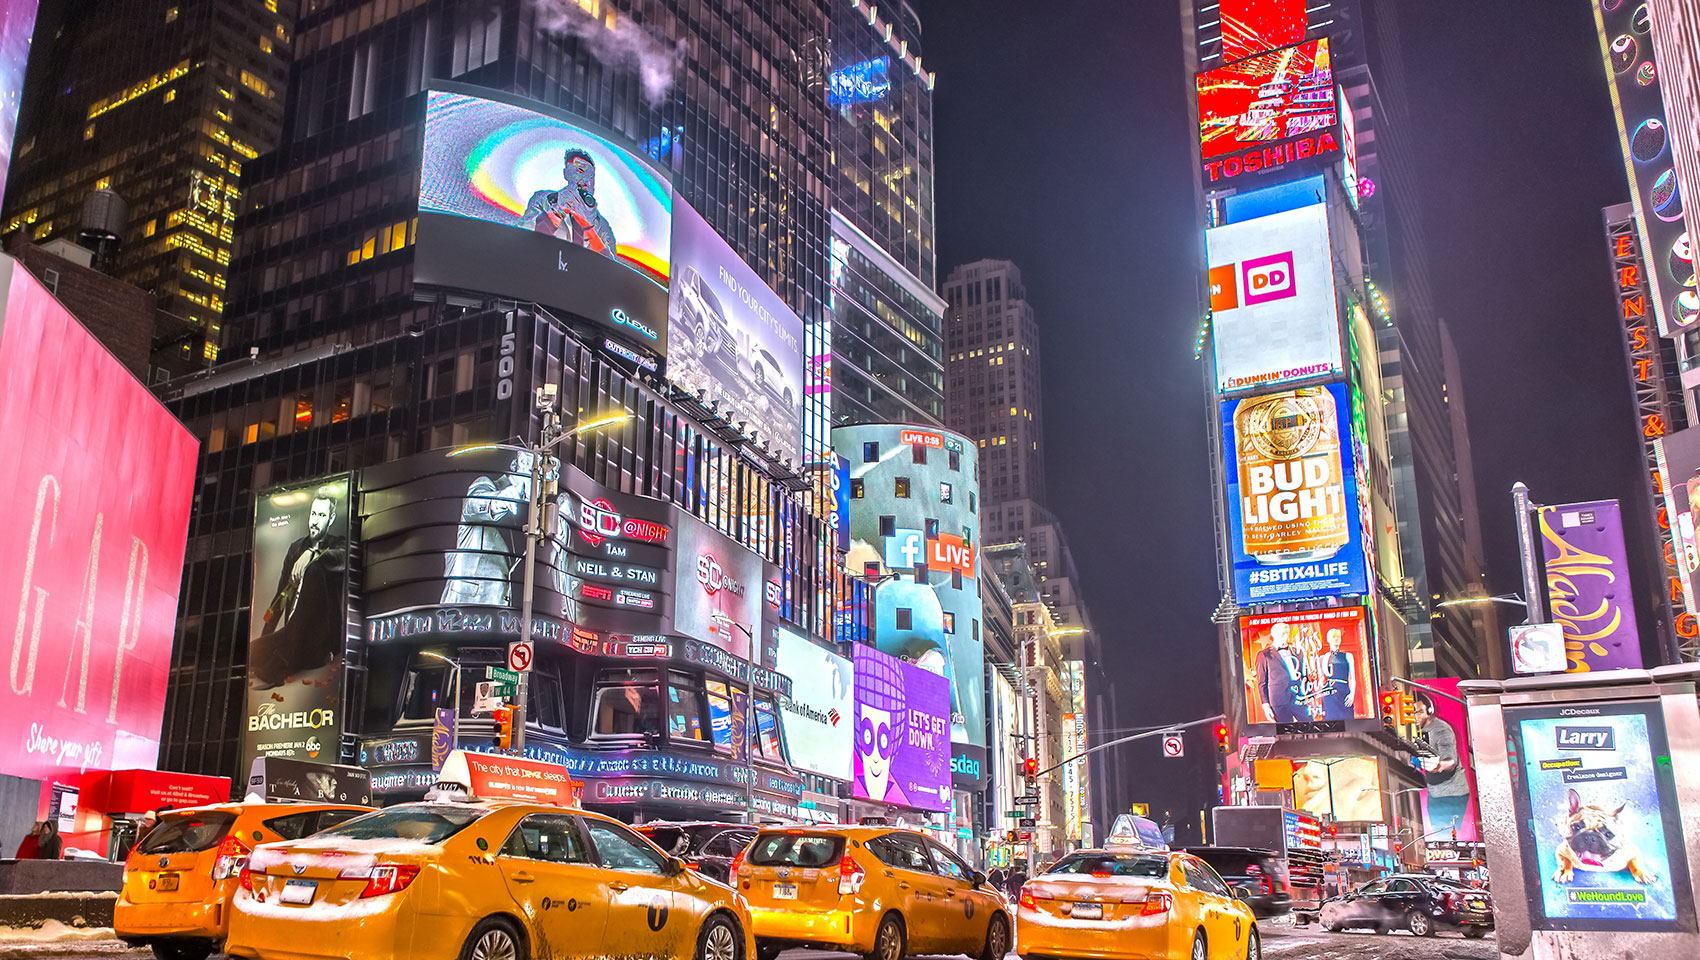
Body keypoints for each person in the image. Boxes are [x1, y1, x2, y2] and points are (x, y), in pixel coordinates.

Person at [252, 493, 349, 687]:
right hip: (291, 636)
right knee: (253, 651)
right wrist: (265, 636)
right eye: (313, 514)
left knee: (315, 568)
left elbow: (341, 559)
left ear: (331, 519)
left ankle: (279, 666)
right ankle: (277, 656)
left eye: (321, 515)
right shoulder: (296, 548)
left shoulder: (338, 544)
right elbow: (280, 598)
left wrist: (313, 554)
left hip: (317, 643)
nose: (315, 521)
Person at [441, 454, 532, 605]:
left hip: (498, 607)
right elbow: (473, 505)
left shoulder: (531, 512)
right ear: (521, 462)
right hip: (464, 603)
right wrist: (501, 500)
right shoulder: (487, 485)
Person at [521, 147, 617, 258]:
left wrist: (588, 226)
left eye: (591, 176)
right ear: (566, 173)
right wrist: (558, 212)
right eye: (580, 171)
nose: (586, 181)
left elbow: (610, 264)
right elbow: (523, 238)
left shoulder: (602, 225)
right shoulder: (543, 200)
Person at [1415, 692, 1470, 835]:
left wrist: (1438, 767)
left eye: (1419, 712)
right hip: (1435, 792)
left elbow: (1450, 760)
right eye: (1412, 713)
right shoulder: (1418, 730)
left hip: (1452, 794)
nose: (1416, 717)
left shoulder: (1441, 730)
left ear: (1429, 711)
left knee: (1447, 836)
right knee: (1437, 835)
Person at [1254, 621, 1307, 724]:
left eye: (1287, 633)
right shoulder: (1264, 655)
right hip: (1279, 702)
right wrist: (1265, 705)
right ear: (1274, 635)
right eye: (1282, 633)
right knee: (1284, 730)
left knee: (1310, 725)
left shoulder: (1297, 652)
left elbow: (1304, 674)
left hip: (1298, 698)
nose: (1285, 636)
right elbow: (1262, 683)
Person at [1318, 628, 1357, 720]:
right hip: (1329, 693)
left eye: (1338, 636)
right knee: (1330, 719)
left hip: (1343, 691)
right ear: (1328, 639)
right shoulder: (1323, 658)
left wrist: (1352, 694)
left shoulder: (1348, 656)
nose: (1336, 639)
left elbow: (1352, 678)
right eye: (1333, 636)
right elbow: (1321, 679)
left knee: (1347, 718)